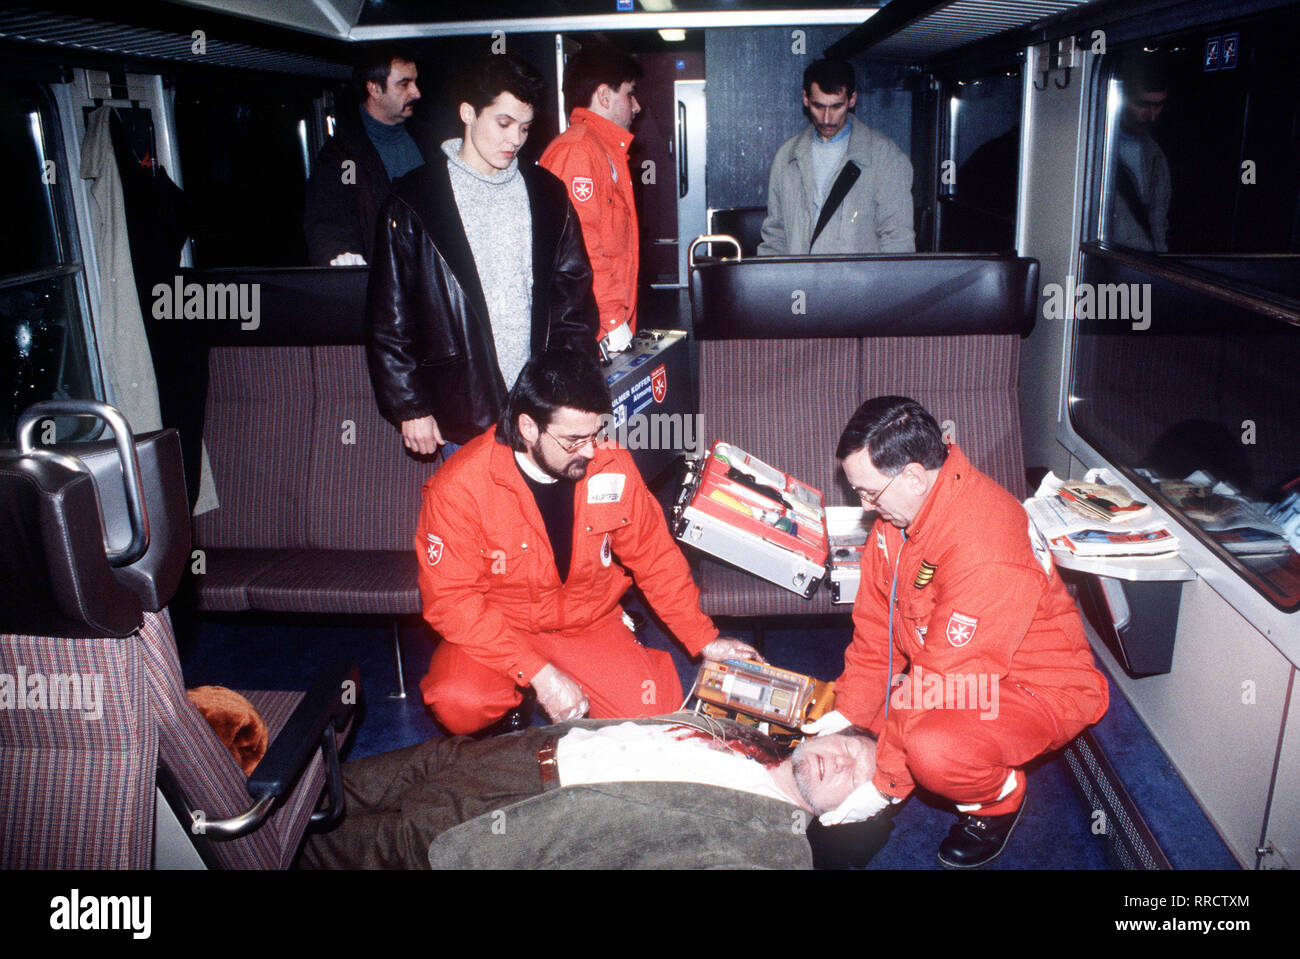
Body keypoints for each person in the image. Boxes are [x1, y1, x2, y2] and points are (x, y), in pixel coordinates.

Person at [803, 396, 1108, 868]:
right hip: (958, 667)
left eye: (868, 493)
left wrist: (886, 787)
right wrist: (849, 712)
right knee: (881, 722)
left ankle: (997, 802)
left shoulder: (983, 544)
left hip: (1036, 687)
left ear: (913, 476)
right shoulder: (894, 525)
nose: (864, 506)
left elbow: (943, 677)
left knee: (931, 750)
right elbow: (874, 634)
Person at [415, 348, 762, 735]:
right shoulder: (459, 488)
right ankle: (514, 707)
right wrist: (540, 675)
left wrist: (704, 639)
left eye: (597, 433)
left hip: (585, 621)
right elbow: (451, 602)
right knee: (461, 700)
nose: (591, 451)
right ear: (528, 428)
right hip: (500, 627)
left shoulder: (611, 464)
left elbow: (655, 558)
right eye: (573, 440)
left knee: (655, 721)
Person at [366, 54, 598, 457]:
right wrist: (409, 406)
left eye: (524, 128)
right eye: (503, 123)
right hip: (461, 402)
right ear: (468, 113)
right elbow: (390, 318)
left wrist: (567, 391)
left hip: (540, 407)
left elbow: (573, 301)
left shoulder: (548, 194)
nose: (515, 140)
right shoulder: (413, 200)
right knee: (472, 520)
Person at [298, 712, 878, 869]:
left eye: (855, 777)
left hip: (526, 816)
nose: (840, 763)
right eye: (849, 747)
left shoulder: (779, 855)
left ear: (845, 816)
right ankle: (240, 796)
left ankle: (228, 844)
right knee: (326, 787)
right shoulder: (748, 737)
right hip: (520, 753)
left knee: (326, 843)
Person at [539, 43, 644, 353]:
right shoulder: (578, 150)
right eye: (629, 93)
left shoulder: (602, 149)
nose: (636, 106)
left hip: (601, 324)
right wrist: (612, 319)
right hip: (590, 330)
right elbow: (584, 245)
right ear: (603, 96)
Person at [757, 59, 915, 256]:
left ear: (852, 100)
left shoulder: (887, 158)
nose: (826, 118)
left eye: (836, 106)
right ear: (805, 99)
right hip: (798, 284)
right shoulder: (786, 158)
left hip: (859, 286)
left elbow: (898, 242)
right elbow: (774, 238)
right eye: (818, 106)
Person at [304, 45, 430, 266]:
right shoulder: (344, 157)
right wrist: (342, 255)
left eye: (415, 82)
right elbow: (330, 219)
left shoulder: (430, 141)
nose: (416, 92)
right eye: (404, 84)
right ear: (374, 89)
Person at [1108, 58, 1172, 252]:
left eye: (1159, 106)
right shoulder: (1094, 149)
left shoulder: (1157, 154)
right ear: (1121, 99)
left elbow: (1159, 222)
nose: (1152, 116)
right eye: (1143, 105)